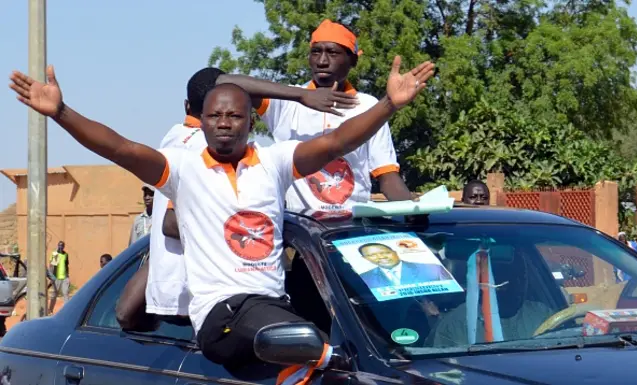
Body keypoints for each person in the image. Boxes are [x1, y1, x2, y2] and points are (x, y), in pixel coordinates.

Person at [8, 56, 434, 374]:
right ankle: (332, 357)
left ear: (252, 120)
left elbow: (337, 141)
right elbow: (119, 147)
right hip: (221, 317)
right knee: (327, 355)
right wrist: (62, 113)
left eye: (234, 115)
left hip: (272, 315)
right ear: (203, 121)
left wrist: (387, 106)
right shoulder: (182, 168)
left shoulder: (275, 163)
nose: (224, 123)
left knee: (294, 336)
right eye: (215, 115)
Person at [115, 67, 360, 330]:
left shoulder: (174, 138)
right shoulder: (204, 151)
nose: (225, 123)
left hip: (180, 299)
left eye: (234, 115)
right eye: (221, 112)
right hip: (206, 303)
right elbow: (171, 223)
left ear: (186, 105)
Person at [256, 20, 416, 213]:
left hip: (351, 225)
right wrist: (301, 95)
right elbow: (223, 82)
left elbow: (387, 175)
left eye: (332, 53)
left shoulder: (368, 106)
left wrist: (413, 211)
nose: (322, 61)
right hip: (298, 228)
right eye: (316, 52)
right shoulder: (286, 102)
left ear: (353, 60)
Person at [358, 243, 451, 289]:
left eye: (385, 252)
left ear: (395, 252)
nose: (381, 257)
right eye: (372, 255)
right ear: (365, 258)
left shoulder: (433, 269)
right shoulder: (364, 278)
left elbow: (451, 295)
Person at [48, 241, 70, 313]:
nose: (61, 247)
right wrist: (51, 277)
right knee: (54, 294)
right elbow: (52, 266)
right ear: (58, 246)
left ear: (64, 246)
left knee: (65, 293)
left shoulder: (65, 254)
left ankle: (67, 310)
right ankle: (50, 310)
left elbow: (66, 265)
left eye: (62, 246)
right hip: (56, 277)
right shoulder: (56, 254)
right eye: (59, 245)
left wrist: (67, 275)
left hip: (64, 278)